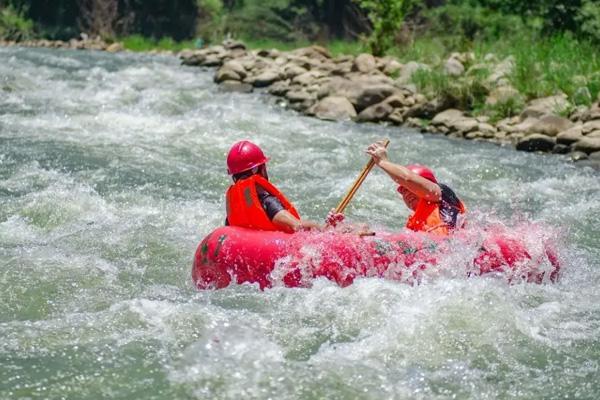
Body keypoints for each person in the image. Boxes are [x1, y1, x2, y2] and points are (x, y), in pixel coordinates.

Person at [365, 141, 466, 235]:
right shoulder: (415, 223)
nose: (407, 194)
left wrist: (383, 162)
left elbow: (407, 178)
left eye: (410, 188)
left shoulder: (441, 195)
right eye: (403, 191)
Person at [225, 140, 321, 233]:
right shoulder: (268, 203)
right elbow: (298, 226)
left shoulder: (233, 212)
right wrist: (324, 228)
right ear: (260, 170)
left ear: (234, 177)